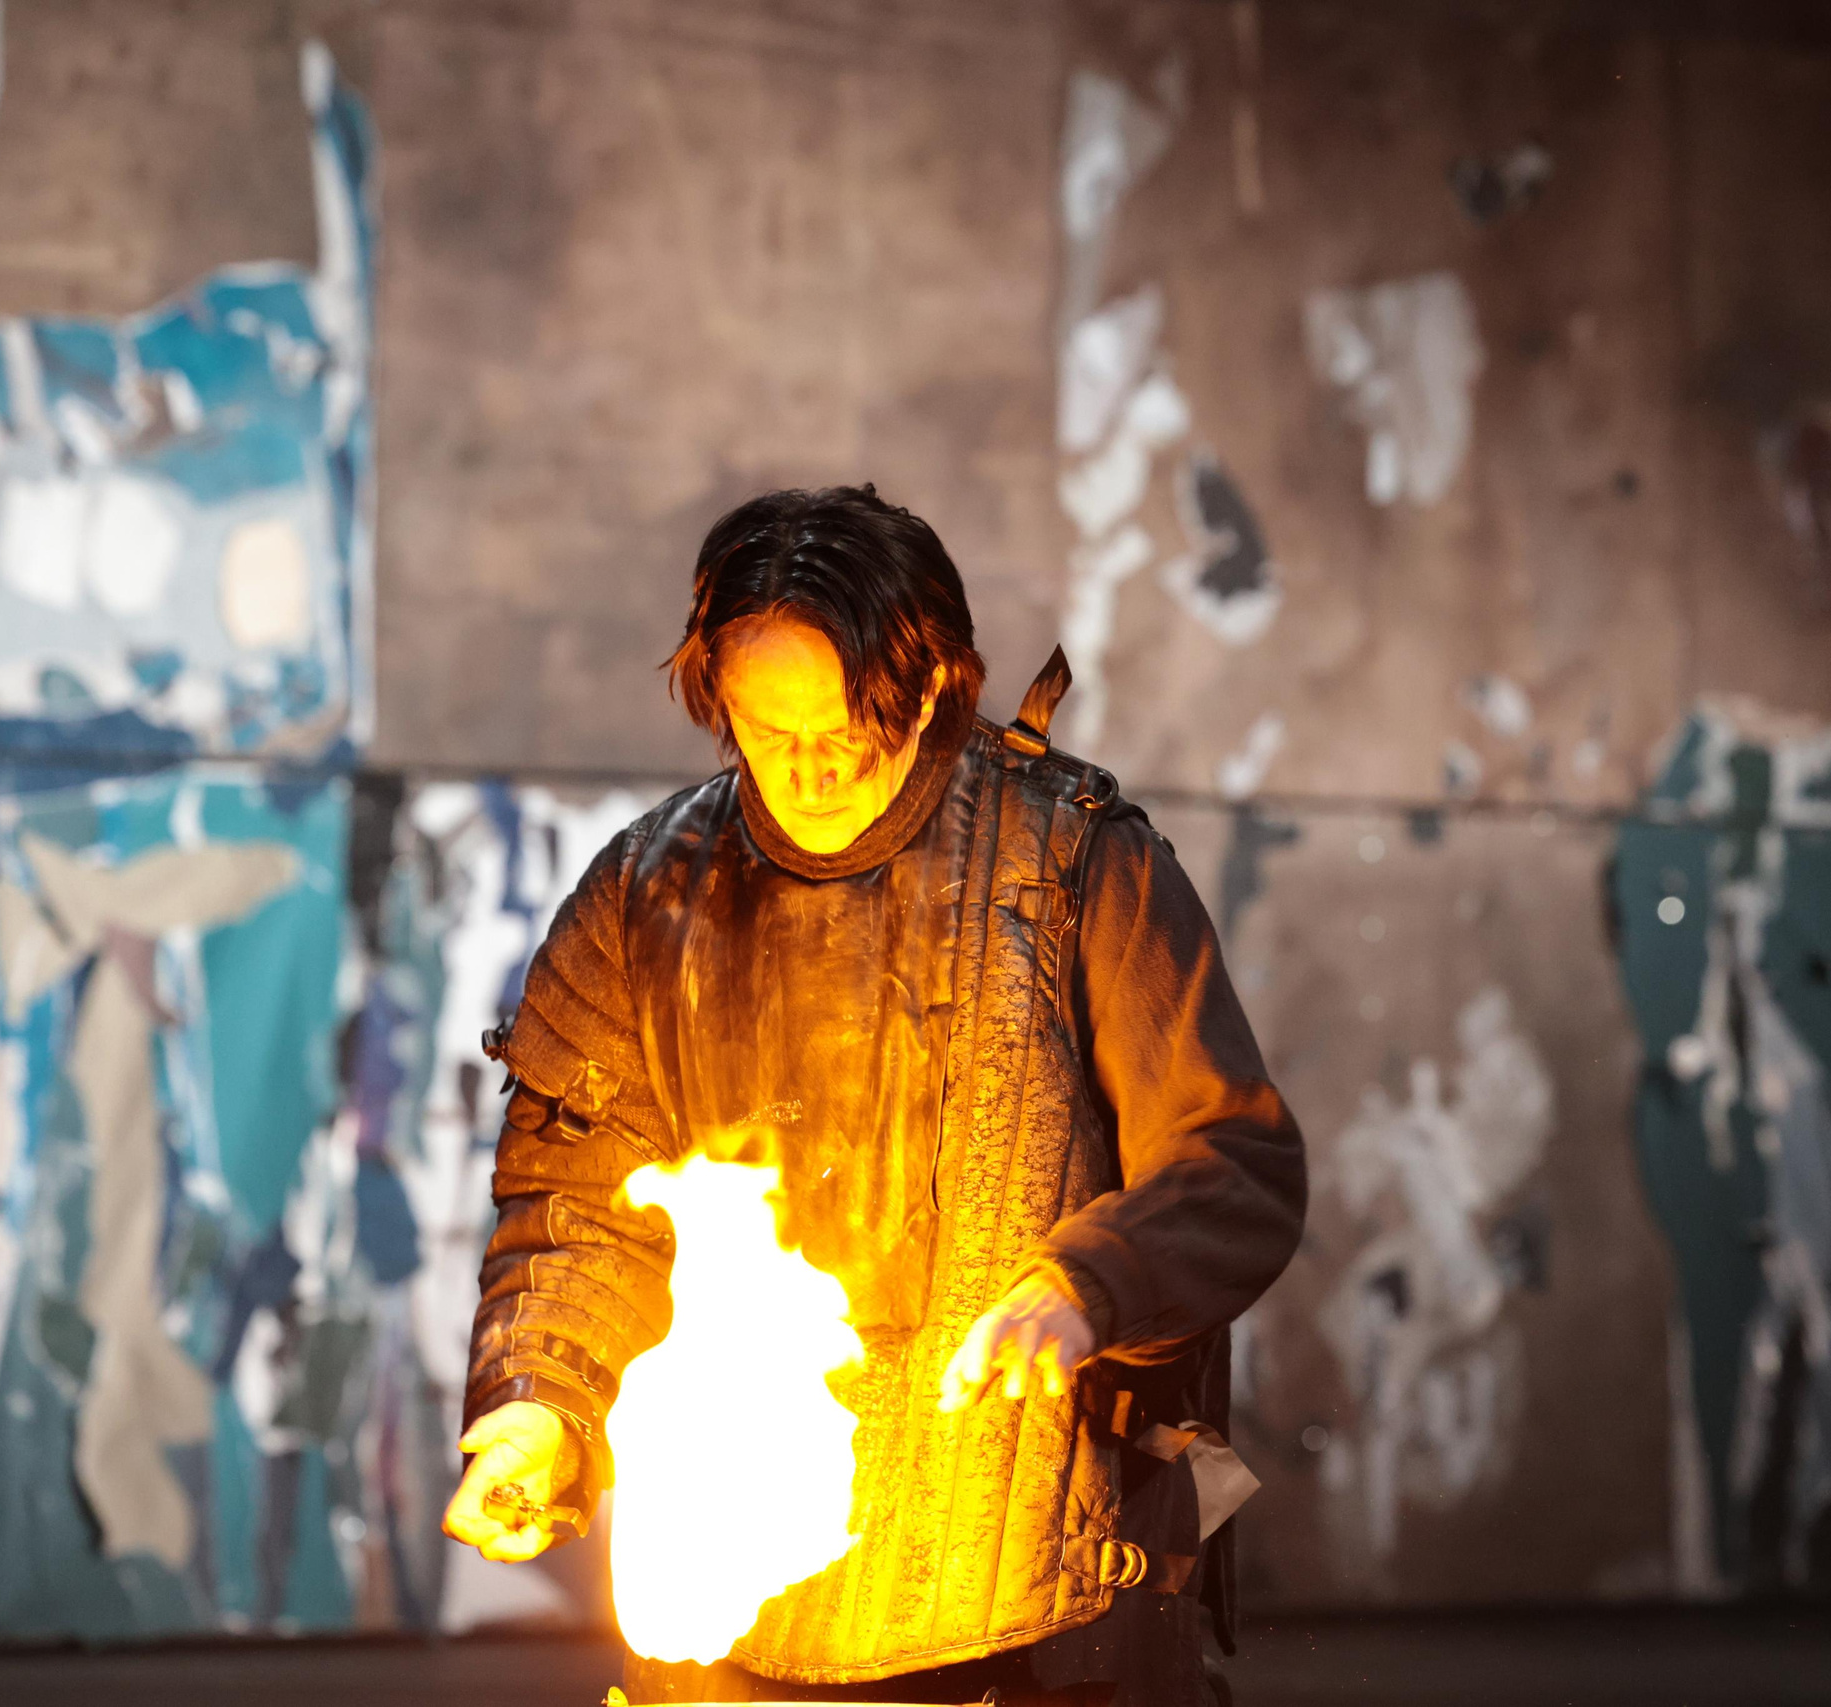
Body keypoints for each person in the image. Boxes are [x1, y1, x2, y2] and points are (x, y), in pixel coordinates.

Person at [440, 486, 1307, 1707]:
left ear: (937, 686)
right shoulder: (644, 899)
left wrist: (1085, 1287)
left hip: (1046, 1594)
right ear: (715, 696)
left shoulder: (1074, 865)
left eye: (844, 729)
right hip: (738, 1619)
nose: (807, 769)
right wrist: (535, 1413)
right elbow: (574, 1214)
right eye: (764, 730)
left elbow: (1233, 1163)